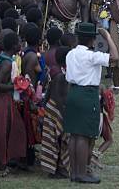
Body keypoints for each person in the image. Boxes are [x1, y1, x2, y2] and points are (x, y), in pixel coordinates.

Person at [64, 23, 118, 184]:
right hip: (87, 95)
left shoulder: (71, 54)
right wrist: (108, 36)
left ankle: (74, 172)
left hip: (73, 93)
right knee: (84, 136)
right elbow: (115, 57)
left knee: (74, 134)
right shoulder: (92, 56)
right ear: (93, 40)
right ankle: (81, 173)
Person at [0, 32, 27, 177]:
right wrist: (16, 86)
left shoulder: (5, 59)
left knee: (11, 130)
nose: (21, 45)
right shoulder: (6, 63)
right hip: (3, 100)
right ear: (13, 46)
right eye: (19, 43)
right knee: (3, 132)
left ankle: (2, 159)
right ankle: (2, 165)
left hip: (5, 100)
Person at [40, 46, 71, 178]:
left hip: (51, 107)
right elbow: (58, 96)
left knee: (54, 139)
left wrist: (44, 105)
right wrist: (64, 112)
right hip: (57, 109)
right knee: (59, 139)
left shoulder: (53, 70)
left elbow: (47, 91)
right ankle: (59, 169)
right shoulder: (60, 75)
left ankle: (56, 168)